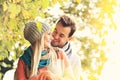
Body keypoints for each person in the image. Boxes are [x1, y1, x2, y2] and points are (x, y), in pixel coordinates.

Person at [51, 15, 81, 80]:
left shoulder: (74, 59)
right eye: (55, 31)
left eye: (61, 35)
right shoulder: (41, 45)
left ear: (69, 38)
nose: (55, 36)